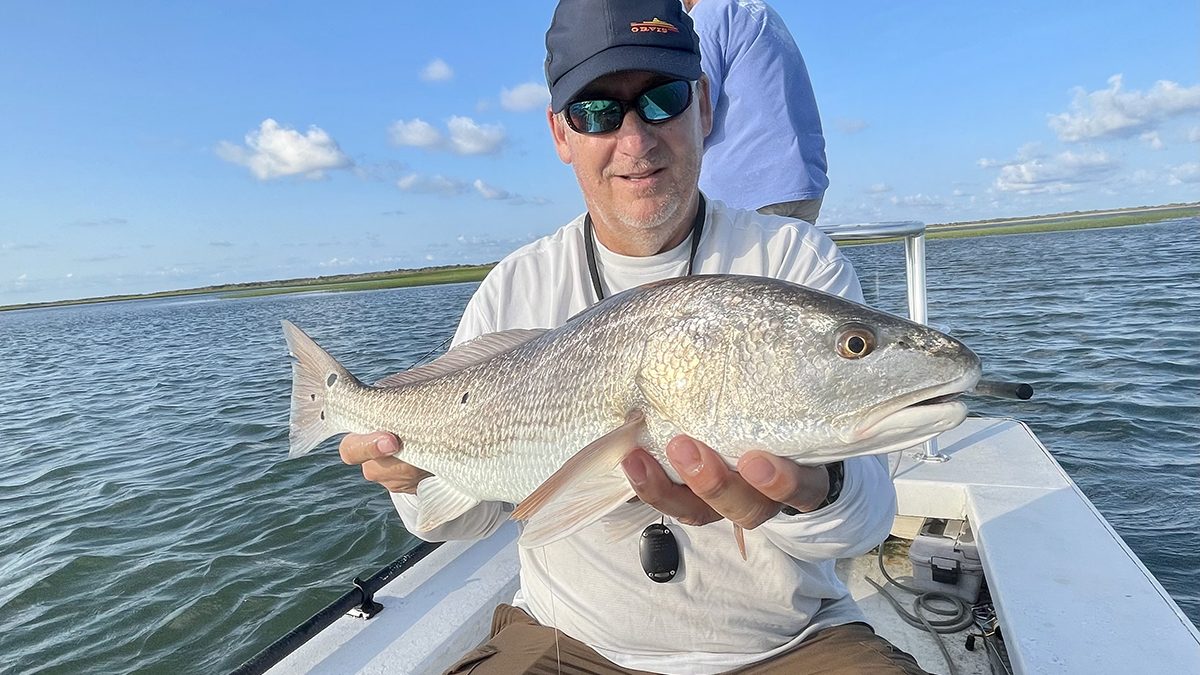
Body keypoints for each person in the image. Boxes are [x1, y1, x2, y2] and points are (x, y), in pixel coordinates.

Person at [338, 0, 923, 672]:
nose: (636, 140)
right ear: (561, 134)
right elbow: (464, 518)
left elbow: (868, 514)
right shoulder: (514, 286)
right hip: (569, 639)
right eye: (596, 111)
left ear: (704, 106)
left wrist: (819, 490)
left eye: (662, 98)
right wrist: (412, 476)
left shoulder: (794, 264)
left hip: (785, 642)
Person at [683, 0, 829, 225]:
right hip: (805, 184)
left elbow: (693, 114)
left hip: (748, 191)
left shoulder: (707, 15)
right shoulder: (763, 13)